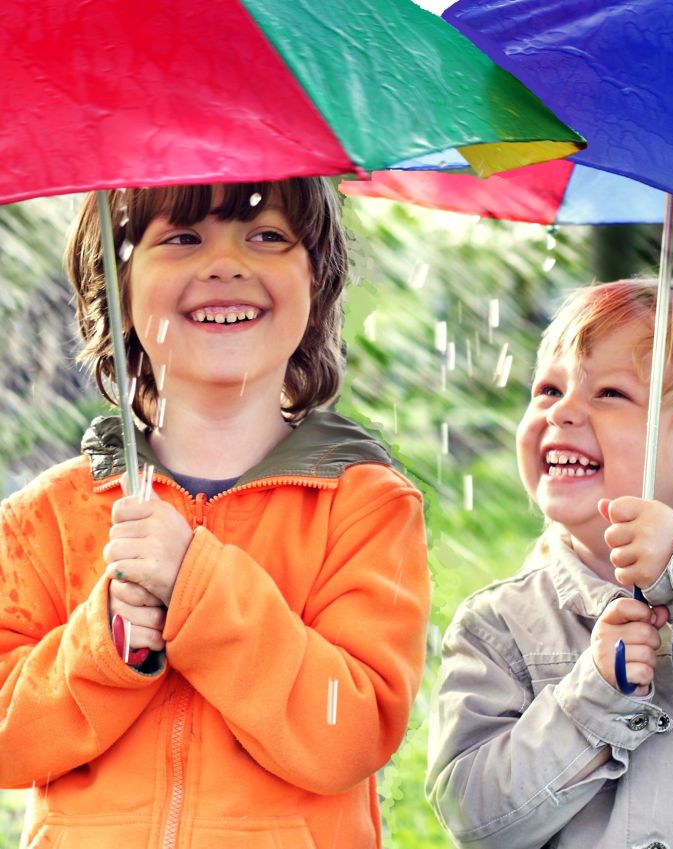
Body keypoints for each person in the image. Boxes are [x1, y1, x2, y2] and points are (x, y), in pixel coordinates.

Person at [0, 179, 430, 849]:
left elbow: (350, 732)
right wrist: (105, 645)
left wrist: (197, 586)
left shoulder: (365, 506)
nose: (227, 262)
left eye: (267, 236)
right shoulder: (46, 517)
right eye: (182, 237)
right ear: (119, 281)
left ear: (317, 278)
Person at [426, 277, 673, 849]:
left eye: (610, 394)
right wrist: (593, 697)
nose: (564, 411)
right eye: (549, 388)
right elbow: (474, 817)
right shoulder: (499, 627)